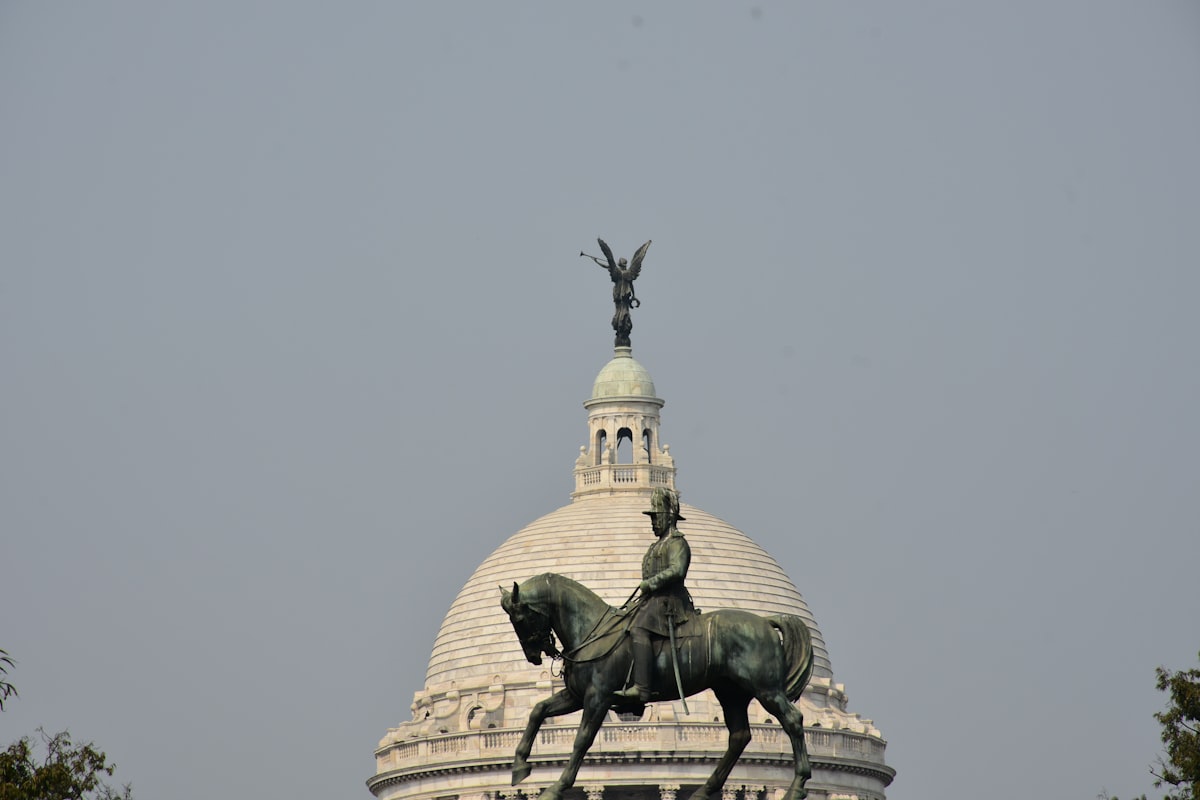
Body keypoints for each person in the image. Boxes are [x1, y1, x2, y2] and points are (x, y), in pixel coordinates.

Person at [614, 487, 695, 702]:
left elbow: (677, 570)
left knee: (639, 628)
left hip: (670, 602)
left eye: (656, 517)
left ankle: (642, 688)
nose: (653, 522)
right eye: (652, 518)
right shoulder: (655, 545)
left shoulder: (677, 543)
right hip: (652, 600)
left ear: (669, 517)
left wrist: (652, 582)